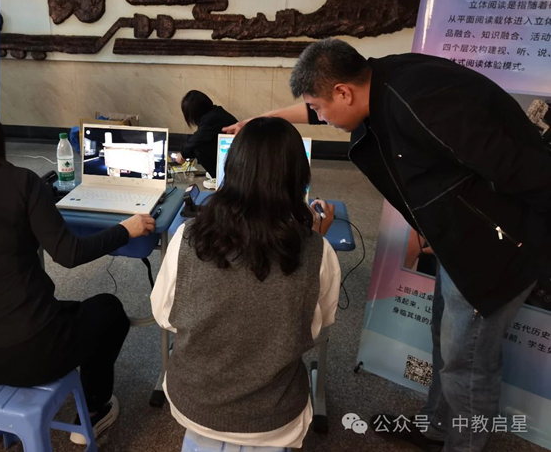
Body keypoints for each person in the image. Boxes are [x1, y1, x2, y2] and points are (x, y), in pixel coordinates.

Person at [225, 39, 551, 452]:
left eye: (321, 108)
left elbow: (524, 170)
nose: (320, 118)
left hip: (493, 248)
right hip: (459, 240)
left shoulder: (422, 103)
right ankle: (438, 429)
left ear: (343, 92)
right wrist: (262, 120)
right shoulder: (374, 80)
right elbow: (317, 106)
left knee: (467, 363)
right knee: (447, 344)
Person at [0, 86, 155, 444]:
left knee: (47, 313)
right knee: (108, 310)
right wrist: (126, 229)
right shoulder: (20, 182)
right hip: (34, 349)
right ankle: (94, 409)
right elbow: (69, 254)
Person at [152, 117, 340, 451]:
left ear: (232, 170)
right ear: (300, 177)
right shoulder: (318, 252)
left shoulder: (188, 237)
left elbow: (165, 315)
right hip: (274, 417)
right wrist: (314, 240)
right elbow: (315, 327)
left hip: (193, 403)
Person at [172, 90, 237, 182]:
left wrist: (182, 154)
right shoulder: (215, 113)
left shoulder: (211, 120)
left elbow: (197, 139)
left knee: (199, 149)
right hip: (235, 152)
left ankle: (217, 176)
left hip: (234, 157)